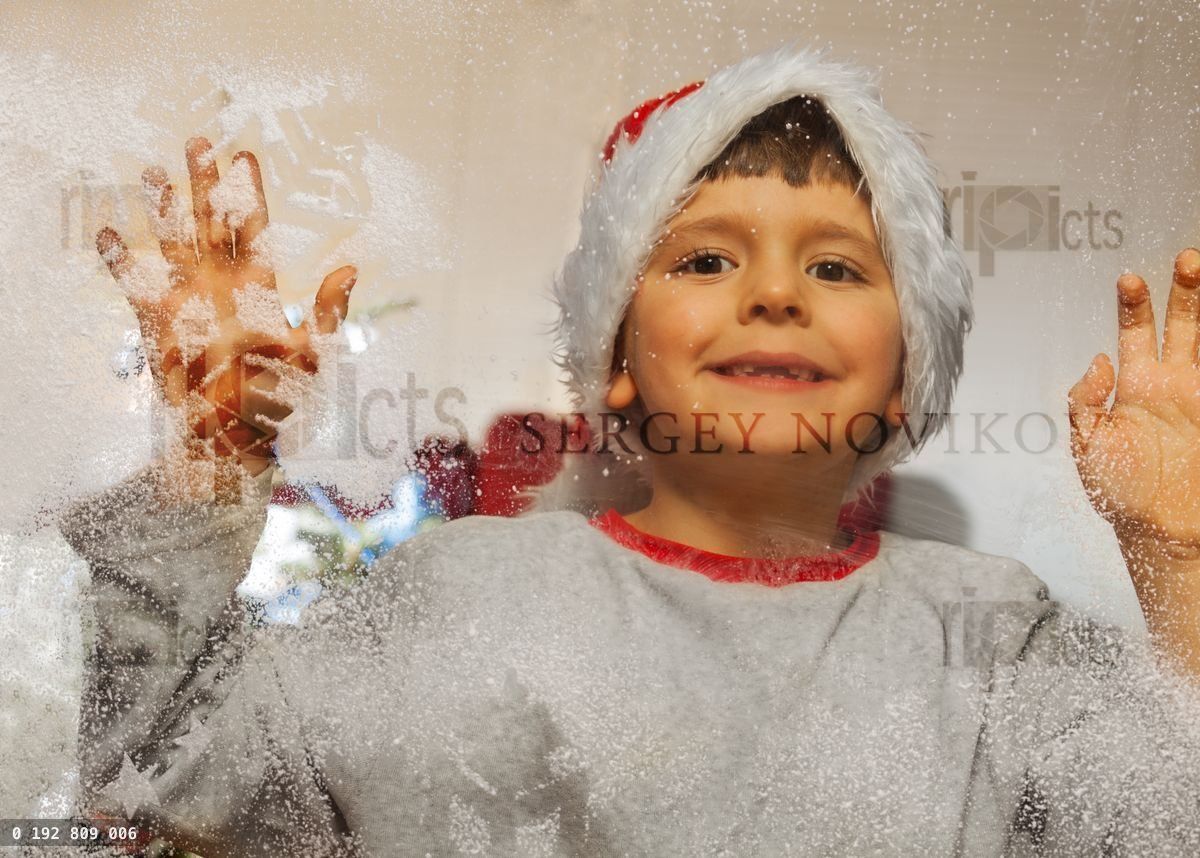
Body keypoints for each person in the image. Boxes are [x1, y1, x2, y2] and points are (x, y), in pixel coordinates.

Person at [60, 42, 1200, 856]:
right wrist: (204, 471)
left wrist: (1183, 566)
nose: (772, 293)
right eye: (703, 259)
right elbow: (165, 789)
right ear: (615, 355)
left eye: (838, 267)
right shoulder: (460, 594)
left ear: (912, 365)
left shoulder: (1002, 638)